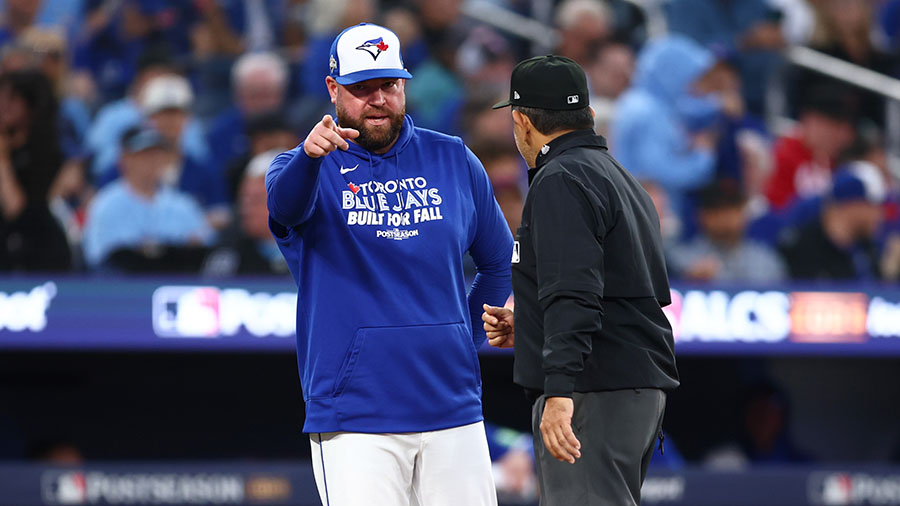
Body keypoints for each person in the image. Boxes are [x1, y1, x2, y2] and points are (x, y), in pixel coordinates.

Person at [265, 23, 513, 506]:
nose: (378, 99)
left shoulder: (454, 158)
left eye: (389, 85)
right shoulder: (301, 168)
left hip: (452, 406)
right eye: (362, 89)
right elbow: (284, 209)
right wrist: (309, 160)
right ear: (333, 90)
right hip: (356, 415)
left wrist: (465, 333)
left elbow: (500, 264)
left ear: (404, 86)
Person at [485, 55, 679, 506]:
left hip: (592, 388)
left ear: (522, 121)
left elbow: (576, 293)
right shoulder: (620, 177)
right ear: (588, 116)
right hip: (627, 385)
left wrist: (559, 391)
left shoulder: (560, 179)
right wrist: (532, 325)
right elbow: (618, 290)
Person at [82, 126, 212, 271]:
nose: (151, 160)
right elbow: (98, 261)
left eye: (156, 154)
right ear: (124, 158)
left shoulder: (184, 206)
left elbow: (206, 254)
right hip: (123, 289)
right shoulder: (105, 205)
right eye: (144, 154)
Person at [668, 179, 786, 283]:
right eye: (718, 210)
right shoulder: (682, 260)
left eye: (734, 209)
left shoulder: (766, 259)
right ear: (702, 216)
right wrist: (688, 282)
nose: (727, 217)